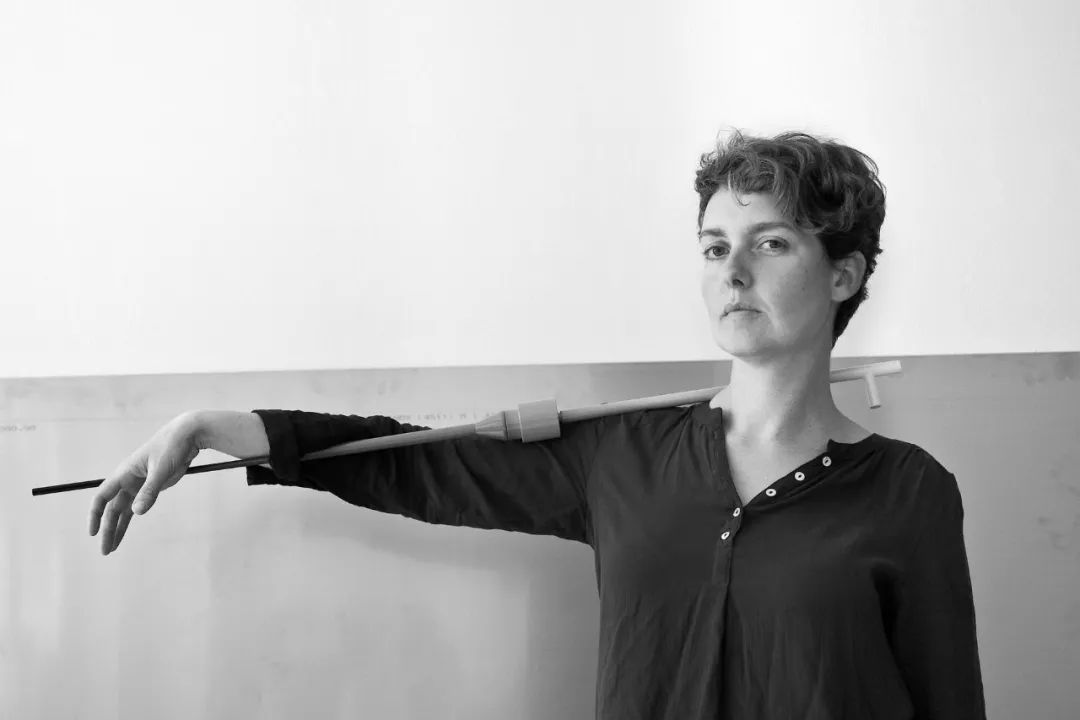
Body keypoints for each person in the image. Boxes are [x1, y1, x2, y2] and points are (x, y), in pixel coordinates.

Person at [88, 128, 987, 719]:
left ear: (843, 274)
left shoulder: (908, 492)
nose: (732, 271)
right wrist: (217, 426)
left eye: (771, 243)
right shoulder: (623, 456)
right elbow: (420, 463)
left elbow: (949, 700)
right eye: (715, 247)